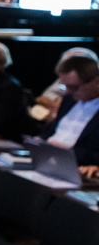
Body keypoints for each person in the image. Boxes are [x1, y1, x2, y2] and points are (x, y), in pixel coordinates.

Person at [38, 53, 99, 183]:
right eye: (64, 86)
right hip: (48, 161)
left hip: (79, 170)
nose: (67, 92)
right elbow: (50, 132)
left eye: (73, 87)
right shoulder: (69, 100)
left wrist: (66, 151)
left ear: (96, 82)